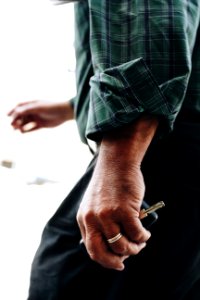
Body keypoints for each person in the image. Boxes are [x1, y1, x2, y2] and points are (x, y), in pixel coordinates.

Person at [8, 0, 200, 299]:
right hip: (179, 148)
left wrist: (120, 161)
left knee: (66, 283)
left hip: (165, 149)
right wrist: (74, 106)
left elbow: (148, 15)